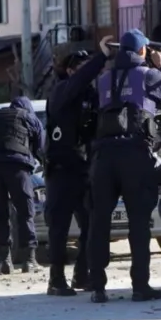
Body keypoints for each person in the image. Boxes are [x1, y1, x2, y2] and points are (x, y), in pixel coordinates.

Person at [87, 29, 161, 304]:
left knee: (99, 222)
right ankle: (140, 286)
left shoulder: (104, 79)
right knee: (139, 224)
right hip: (135, 155)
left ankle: (97, 288)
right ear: (143, 51)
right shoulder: (148, 75)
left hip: (103, 157)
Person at [43, 38, 112, 297]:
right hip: (61, 170)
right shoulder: (61, 90)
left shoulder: (91, 97)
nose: (87, 73)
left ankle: (82, 274)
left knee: (91, 226)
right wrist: (101, 57)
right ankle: (56, 279)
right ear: (70, 70)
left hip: (84, 169)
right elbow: (78, 82)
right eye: (80, 68)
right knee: (59, 229)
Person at [0, 96, 45, 274]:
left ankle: (5, 261)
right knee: (25, 212)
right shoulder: (30, 118)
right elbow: (41, 148)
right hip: (17, 167)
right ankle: (29, 261)